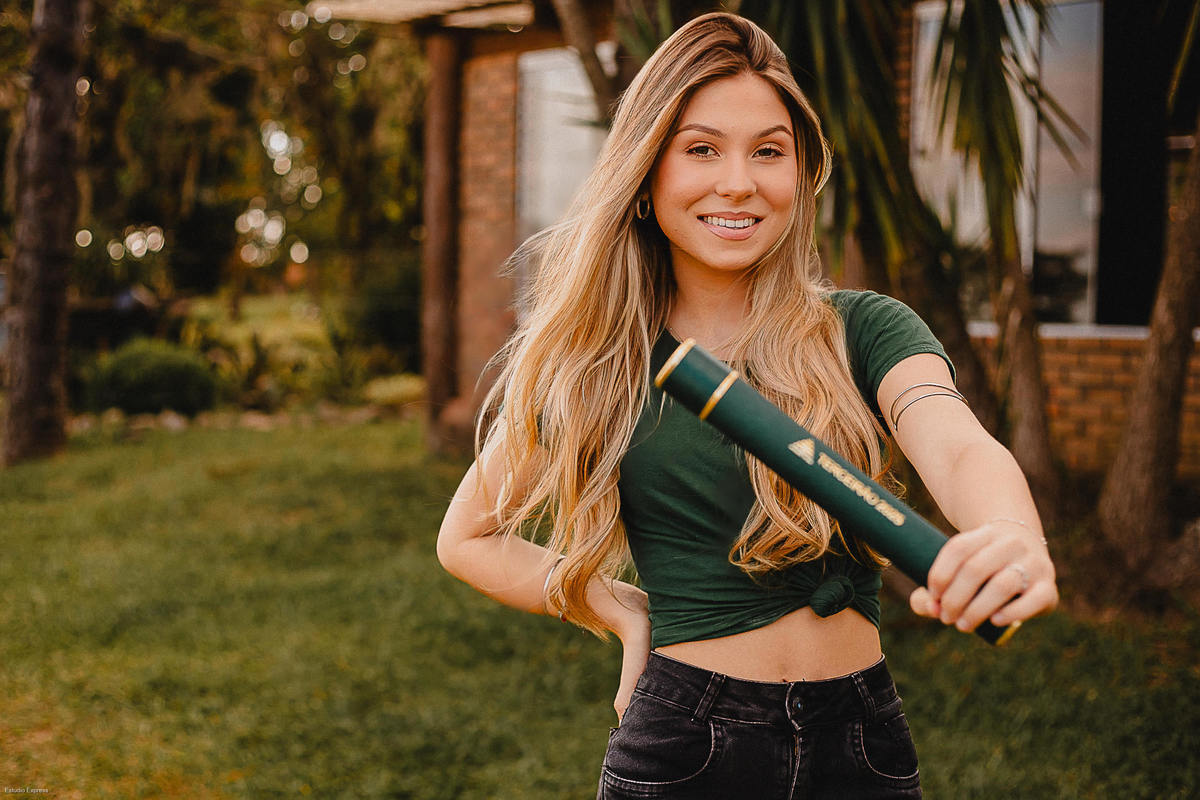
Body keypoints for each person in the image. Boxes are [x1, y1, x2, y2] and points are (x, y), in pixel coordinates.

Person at [437, 11, 1058, 799]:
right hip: (683, 742)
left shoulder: (863, 329)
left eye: (769, 151)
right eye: (702, 149)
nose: (739, 181)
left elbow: (955, 439)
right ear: (645, 173)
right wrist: (623, 611)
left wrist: (1012, 532)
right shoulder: (600, 360)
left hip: (863, 737)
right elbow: (468, 538)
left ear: (800, 175)